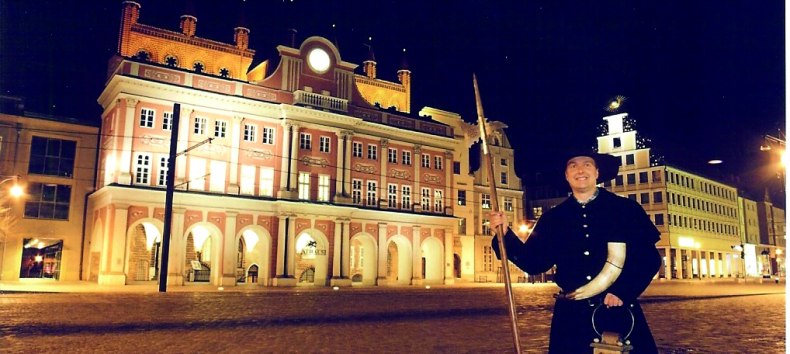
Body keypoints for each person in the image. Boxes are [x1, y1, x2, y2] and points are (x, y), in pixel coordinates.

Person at [491, 151, 660, 354]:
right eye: (573, 166)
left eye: (587, 164)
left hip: (617, 309)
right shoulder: (553, 218)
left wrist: (623, 291)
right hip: (572, 317)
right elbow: (534, 262)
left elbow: (648, 258)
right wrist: (505, 235)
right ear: (566, 175)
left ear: (597, 172)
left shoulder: (625, 209)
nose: (580, 170)